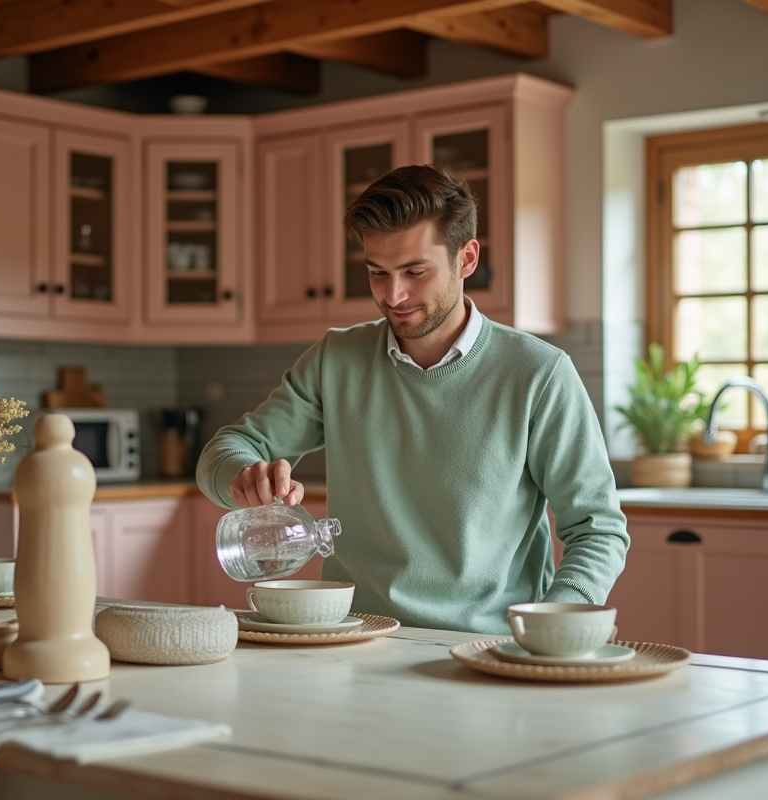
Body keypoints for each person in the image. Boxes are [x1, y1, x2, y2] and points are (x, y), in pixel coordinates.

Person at [197, 164, 628, 635]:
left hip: (485, 647)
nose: (394, 294)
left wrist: (550, 626)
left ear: (467, 259)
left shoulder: (539, 373)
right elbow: (227, 449)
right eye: (377, 273)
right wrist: (244, 477)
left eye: (414, 271)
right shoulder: (336, 359)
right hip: (351, 637)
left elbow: (597, 529)